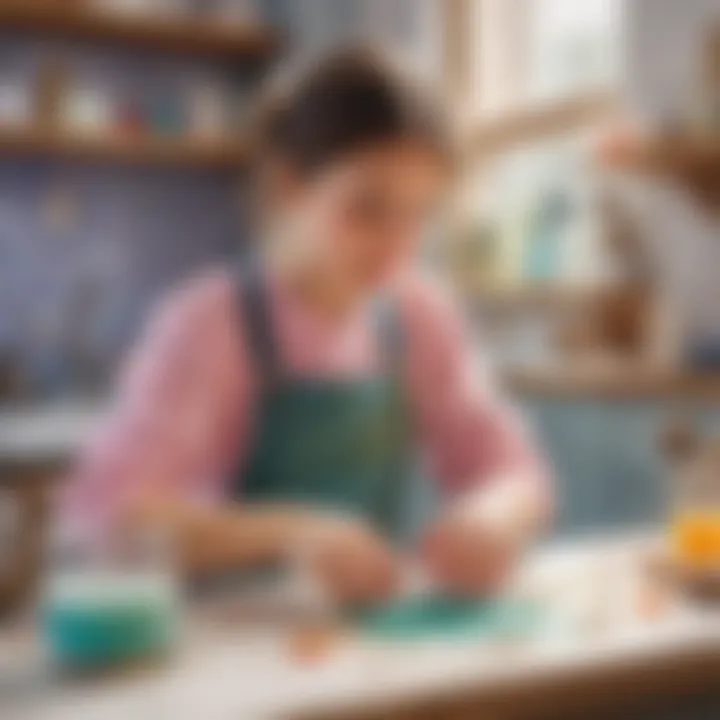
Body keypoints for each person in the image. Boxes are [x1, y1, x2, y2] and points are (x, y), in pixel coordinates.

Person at [63, 49, 551, 605]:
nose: (398, 245)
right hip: (226, 643)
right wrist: (291, 532)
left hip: (364, 640)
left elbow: (515, 472)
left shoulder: (420, 314)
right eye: (367, 207)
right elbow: (108, 522)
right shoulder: (208, 324)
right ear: (289, 185)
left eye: (419, 213)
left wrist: (492, 517)